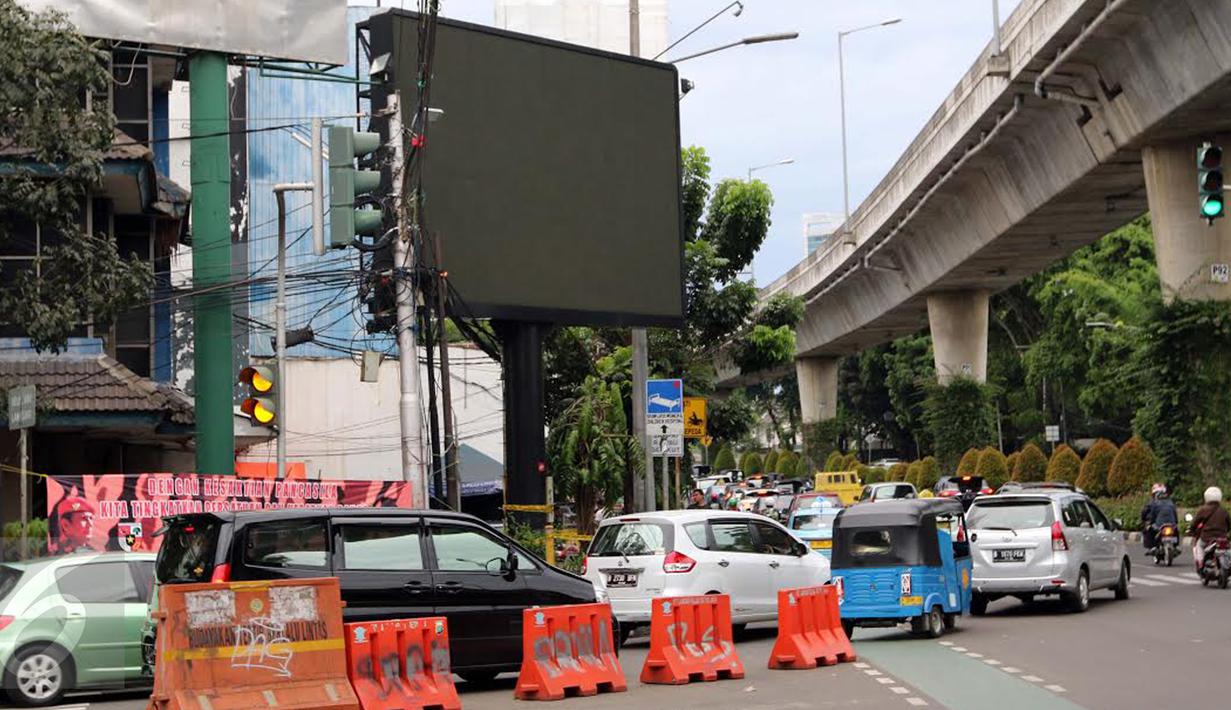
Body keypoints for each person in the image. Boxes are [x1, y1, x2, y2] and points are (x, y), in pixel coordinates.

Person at [1188, 486, 1230, 572]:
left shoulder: (1203, 510)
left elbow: (1195, 523)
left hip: (1206, 538)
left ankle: (1200, 564)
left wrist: (1191, 530)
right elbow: (1229, 524)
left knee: (1199, 546)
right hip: (1222, 538)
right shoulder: (1223, 511)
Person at [1140, 483, 1178, 553]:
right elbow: (1175, 515)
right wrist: (1175, 523)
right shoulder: (1171, 502)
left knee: (1148, 530)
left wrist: (1148, 522)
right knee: (1176, 529)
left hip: (1159, 524)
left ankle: (1152, 546)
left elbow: (1151, 515)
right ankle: (1175, 546)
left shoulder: (1154, 503)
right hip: (1171, 524)